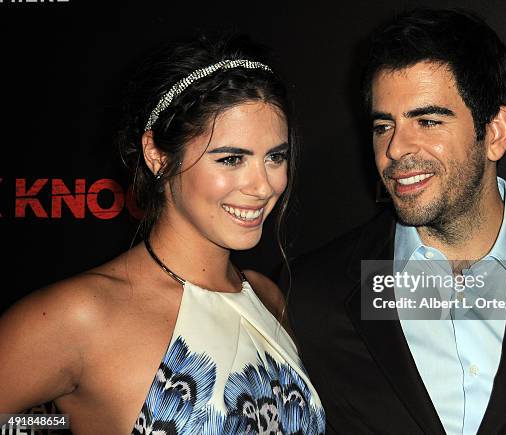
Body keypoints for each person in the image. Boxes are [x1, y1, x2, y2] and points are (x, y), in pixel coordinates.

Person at [286, 9, 506, 435]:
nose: (397, 147)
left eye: (428, 121)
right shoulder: (313, 296)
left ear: (495, 133)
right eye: (384, 125)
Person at [0, 35, 325, 434]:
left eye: (275, 157)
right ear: (158, 156)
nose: (262, 185)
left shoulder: (265, 296)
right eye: (231, 158)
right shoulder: (78, 316)